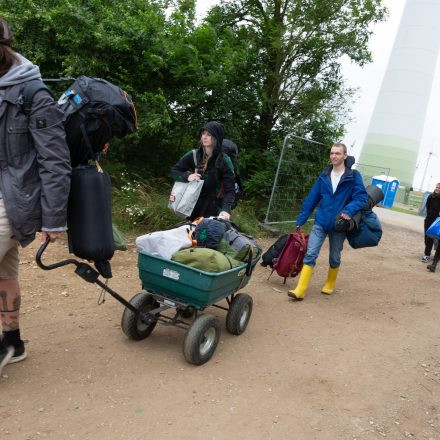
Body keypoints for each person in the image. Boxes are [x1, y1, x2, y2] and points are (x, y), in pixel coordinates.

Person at [0, 18, 71, 374]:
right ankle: (12, 341)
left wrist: (54, 218)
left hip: (14, 201)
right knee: (5, 273)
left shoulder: (34, 95)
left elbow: (55, 161)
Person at [288, 143, 368, 301]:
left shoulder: (353, 176)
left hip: (339, 224)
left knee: (334, 256)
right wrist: (301, 219)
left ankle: (330, 283)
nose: (334, 156)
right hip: (321, 221)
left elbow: (361, 198)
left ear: (345, 156)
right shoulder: (324, 175)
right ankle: (300, 289)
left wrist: (348, 211)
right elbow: (312, 199)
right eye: (332, 153)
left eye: (338, 153)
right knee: (311, 253)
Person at [171, 121, 236, 221]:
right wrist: (187, 176)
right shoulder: (194, 155)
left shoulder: (224, 161)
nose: (204, 137)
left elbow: (230, 190)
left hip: (214, 209)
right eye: (203, 133)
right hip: (193, 206)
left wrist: (226, 210)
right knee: (190, 234)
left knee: (207, 234)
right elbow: (174, 171)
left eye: (209, 135)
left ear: (216, 138)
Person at [421, 182, 440, 263]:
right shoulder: (431, 196)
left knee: (434, 238)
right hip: (429, 219)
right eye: (436, 187)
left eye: (439, 188)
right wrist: (430, 215)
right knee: (427, 237)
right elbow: (427, 206)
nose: (437, 188)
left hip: (438, 222)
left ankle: (428, 255)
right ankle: (427, 253)